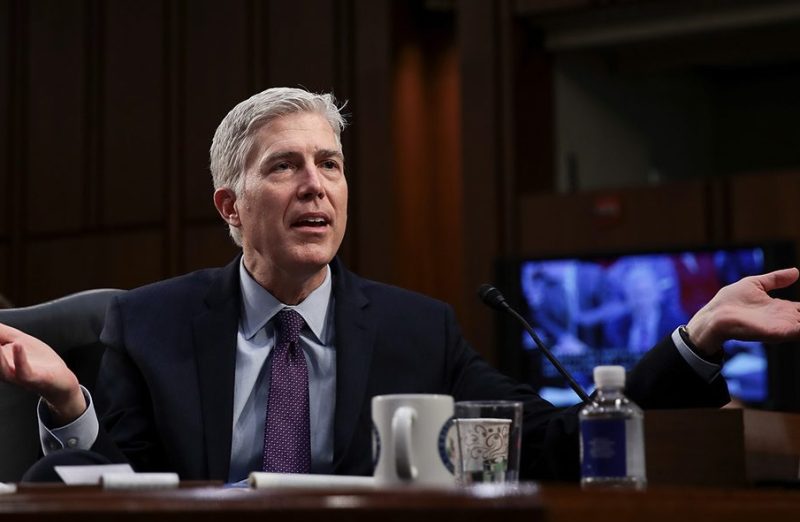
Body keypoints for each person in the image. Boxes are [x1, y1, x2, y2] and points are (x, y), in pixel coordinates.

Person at [2, 87, 800, 482]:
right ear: (231, 208)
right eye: (284, 167)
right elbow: (96, 491)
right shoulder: (153, 324)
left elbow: (554, 444)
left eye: (332, 165)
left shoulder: (420, 332)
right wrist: (69, 404)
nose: (316, 185)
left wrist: (695, 340)